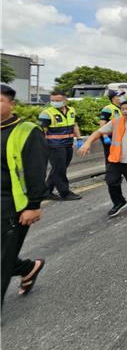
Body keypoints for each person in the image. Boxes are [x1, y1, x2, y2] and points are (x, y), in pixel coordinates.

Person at [1, 84, 49, 306]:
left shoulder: (27, 130)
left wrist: (34, 204)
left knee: (2, 259)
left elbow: (36, 170)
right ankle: (28, 268)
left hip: (11, 205)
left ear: (12, 104)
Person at [38, 90, 82, 200]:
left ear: (65, 100)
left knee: (58, 169)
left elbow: (74, 125)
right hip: (54, 146)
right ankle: (65, 193)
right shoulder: (47, 113)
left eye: (57, 100)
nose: (54, 102)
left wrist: (79, 138)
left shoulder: (71, 110)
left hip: (68, 144)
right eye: (52, 100)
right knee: (60, 170)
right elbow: (42, 131)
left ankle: (47, 191)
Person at [99, 90, 126, 165]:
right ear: (113, 98)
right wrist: (105, 136)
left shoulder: (122, 108)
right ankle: (110, 175)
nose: (122, 97)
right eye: (119, 96)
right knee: (110, 156)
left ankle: (117, 174)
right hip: (109, 136)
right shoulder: (108, 108)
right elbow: (102, 123)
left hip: (119, 136)